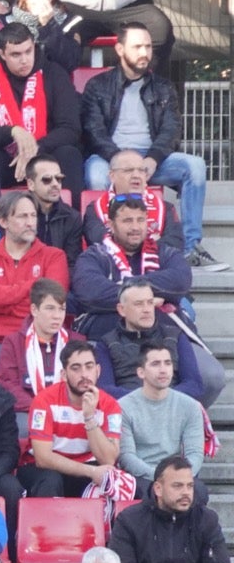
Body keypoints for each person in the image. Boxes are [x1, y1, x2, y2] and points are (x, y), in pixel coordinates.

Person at [80, 23, 220, 268]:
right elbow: (94, 131)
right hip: (111, 156)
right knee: (94, 172)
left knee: (194, 166)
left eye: (147, 46)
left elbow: (171, 129)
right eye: (137, 47)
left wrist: (152, 159)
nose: (144, 52)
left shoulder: (163, 87)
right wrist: (124, 163)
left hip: (152, 159)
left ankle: (189, 248)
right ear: (120, 49)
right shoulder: (98, 86)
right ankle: (109, 245)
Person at [109, 456, 233, 563]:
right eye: (177, 486)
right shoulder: (130, 519)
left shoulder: (207, 520)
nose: (186, 492)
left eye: (190, 486)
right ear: (158, 488)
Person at [0, 22, 83, 191]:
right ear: (2, 54)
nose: (24, 60)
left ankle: (69, 216)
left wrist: (34, 148)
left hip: (46, 153)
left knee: (69, 155)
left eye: (29, 51)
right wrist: (13, 132)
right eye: (16, 54)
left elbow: (70, 129)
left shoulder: (55, 74)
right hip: (8, 158)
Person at [0, 191, 70, 364]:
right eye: (23, 216)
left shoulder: (54, 256)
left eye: (33, 216)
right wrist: (32, 289)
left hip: (43, 343)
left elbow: (53, 300)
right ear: (3, 221)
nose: (30, 223)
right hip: (0, 345)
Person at [18, 341, 125, 498]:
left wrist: (89, 417)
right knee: (50, 480)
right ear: (63, 375)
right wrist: (91, 471)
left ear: (98, 370)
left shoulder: (111, 405)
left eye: (89, 367)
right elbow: (43, 458)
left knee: (114, 484)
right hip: (43, 469)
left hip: (87, 467)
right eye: (76, 368)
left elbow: (108, 459)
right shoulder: (44, 401)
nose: (84, 374)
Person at [71, 199, 193, 337]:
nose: (135, 227)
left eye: (140, 220)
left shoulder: (166, 253)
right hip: (107, 335)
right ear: (111, 225)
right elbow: (91, 293)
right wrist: (147, 299)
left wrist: (124, 287)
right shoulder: (94, 256)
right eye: (128, 221)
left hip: (163, 336)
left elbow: (180, 281)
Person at [99, 278, 221, 411]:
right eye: (139, 304)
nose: (147, 310)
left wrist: (160, 399)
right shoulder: (106, 343)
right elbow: (105, 389)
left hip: (172, 411)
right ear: (121, 309)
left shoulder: (175, 335)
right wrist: (147, 398)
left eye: (150, 303)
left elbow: (193, 385)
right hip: (127, 413)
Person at [117, 348, 208, 495]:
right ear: (141, 372)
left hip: (178, 474)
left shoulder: (190, 406)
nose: (163, 369)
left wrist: (178, 477)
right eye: (155, 364)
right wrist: (162, 478)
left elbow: (195, 453)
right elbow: (127, 457)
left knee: (200, 492)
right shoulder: (123, 407)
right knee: (148, 493)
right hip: (142, 476)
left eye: (167, 363)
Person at [0, 279, 83, 424]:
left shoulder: (76, 341)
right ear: (34, 310)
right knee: (21, 426)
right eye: (50, 308)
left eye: (61, 309)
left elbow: (85, 381)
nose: (57, 315)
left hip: (70, 410)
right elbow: (8, 384)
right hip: (29, 411)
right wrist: (39, 407)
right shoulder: (13, 343)